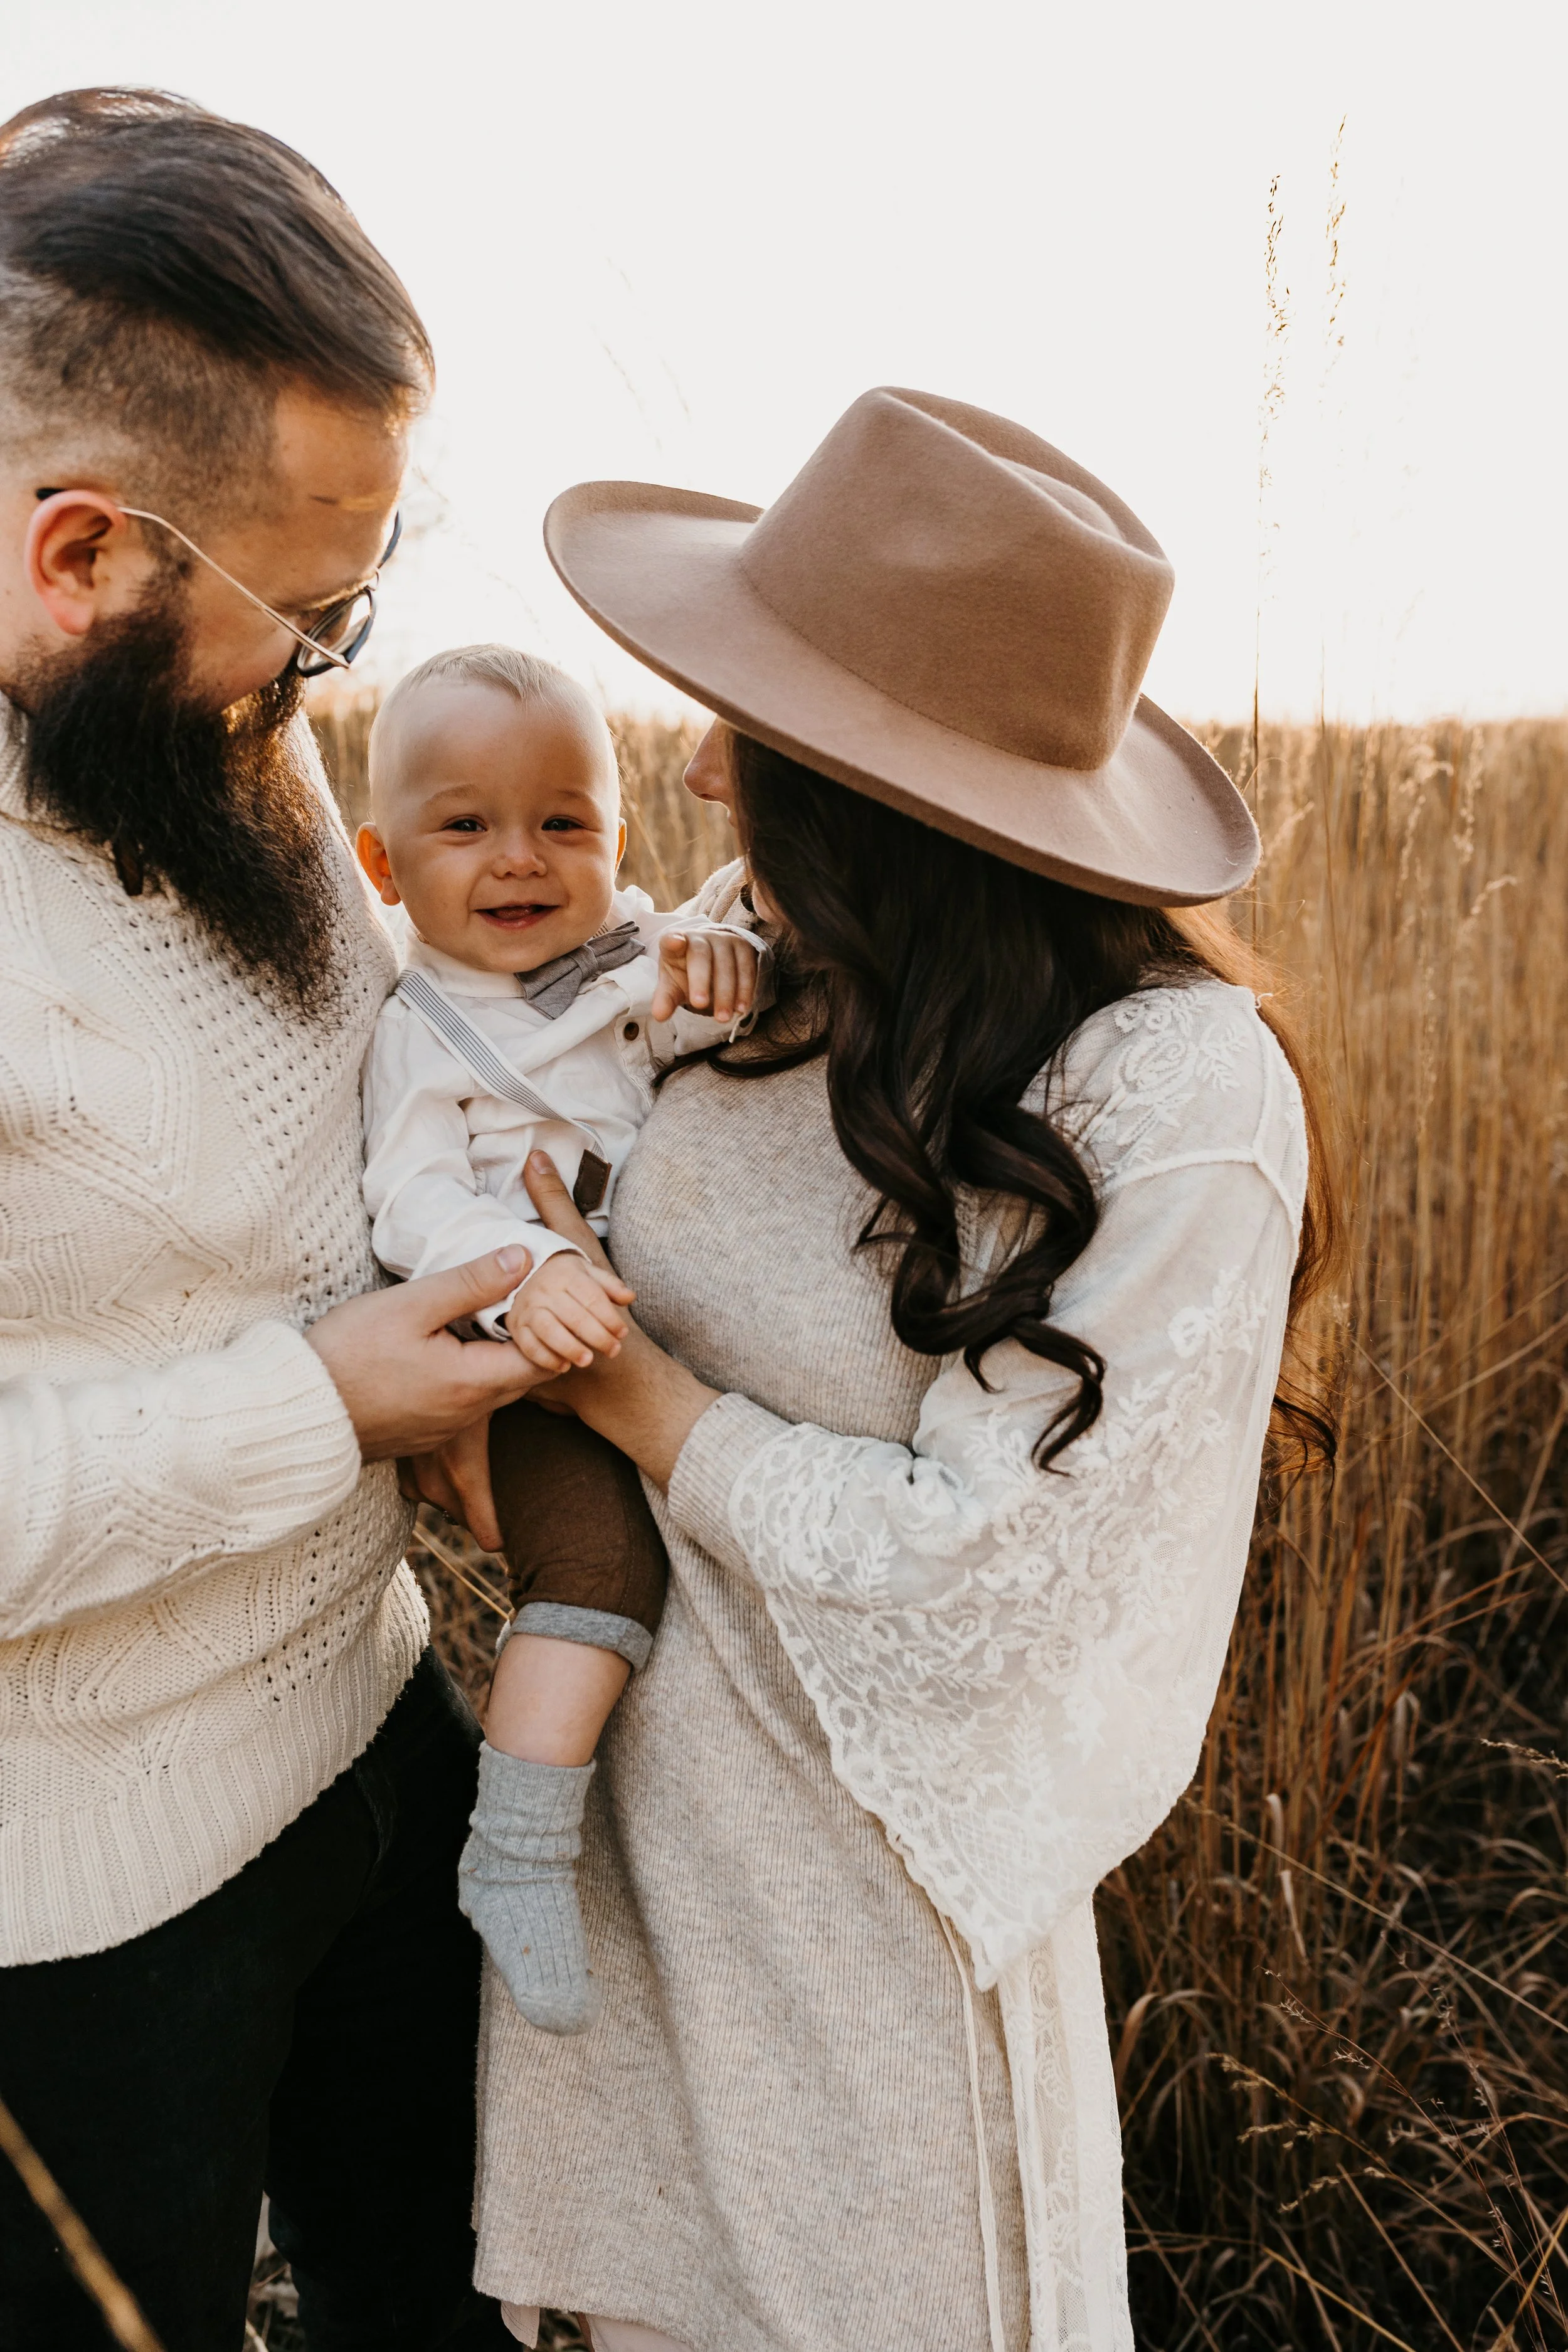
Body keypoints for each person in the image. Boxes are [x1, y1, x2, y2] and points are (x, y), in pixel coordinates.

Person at [426, 388, 1335, 2352]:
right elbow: (478, 1157)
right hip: (610, 1886)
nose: (685, 765)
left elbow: (979, 1578)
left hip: (867, 1953)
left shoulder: (1165, 1097)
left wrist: (624, 1392)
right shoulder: (741, 965)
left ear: (876, 788)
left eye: (745, 725)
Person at [0, 89, 545, 2352]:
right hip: (89, 1917)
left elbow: (369, 1063)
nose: (336, 667)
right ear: (79, 551)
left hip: (378, 1730)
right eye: (312, 614)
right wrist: (320, 1401)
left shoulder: (195, 720)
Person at [356, 642, 763, 2032]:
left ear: (620, 837)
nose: (520, 861)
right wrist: (527, 1272)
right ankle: (514, 1851)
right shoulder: (420, 1031)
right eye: (464, 825)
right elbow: (407, 1199)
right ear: (384, 860)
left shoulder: (628, 955)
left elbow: (702, 1037)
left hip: (663, 1348)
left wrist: (727, 963)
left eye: (563, 823)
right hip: (533, 1363)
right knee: (596, 1568)